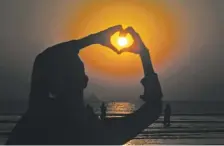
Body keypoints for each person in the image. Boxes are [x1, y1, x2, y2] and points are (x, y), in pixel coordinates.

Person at [6, 25, 162, 145]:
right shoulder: (98, 135)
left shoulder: (35, 121)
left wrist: (93, 39)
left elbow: (42, 60)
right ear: (85, 80)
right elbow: (154, 108)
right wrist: (144, 54)